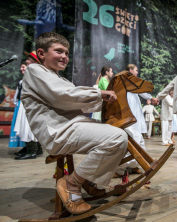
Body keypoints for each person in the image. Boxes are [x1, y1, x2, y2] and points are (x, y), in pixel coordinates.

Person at [21, 32, 128, 215]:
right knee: (117, 138)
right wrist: (100, 94)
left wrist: (102, 100)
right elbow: (62, 96)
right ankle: (72, 183)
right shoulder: (35, 70)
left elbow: (71, 97)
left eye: (67, 53)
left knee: (121, 133)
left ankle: (87, 179)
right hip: (57, 131)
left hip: (69, 125)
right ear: (41, 53)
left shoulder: (56, 77)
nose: (64, 56)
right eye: (59, 51)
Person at [114, 64, 159, 177]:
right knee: (129, 137)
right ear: (130, 70)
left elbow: (142, 91)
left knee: (137, 137)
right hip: (127, 109)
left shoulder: (133, 82)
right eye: (136, 70)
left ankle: (134, 165)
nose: (137, 72)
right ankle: (121, 168)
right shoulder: (123, 80)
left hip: (135, 109)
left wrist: (151, 98)